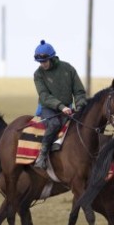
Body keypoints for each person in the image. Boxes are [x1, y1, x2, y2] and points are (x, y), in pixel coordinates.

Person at [32, 39, 87, 170]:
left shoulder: (68, 69)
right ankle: (42, 156)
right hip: (48, 108)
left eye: (44, 61)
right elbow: (44, 96)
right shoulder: (38, 74)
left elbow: (79, 91)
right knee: (55, 123)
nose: (42, 64)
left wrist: (79, 106)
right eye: (40, 62)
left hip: (68, 107)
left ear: (51, 58)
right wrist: (61, 107)